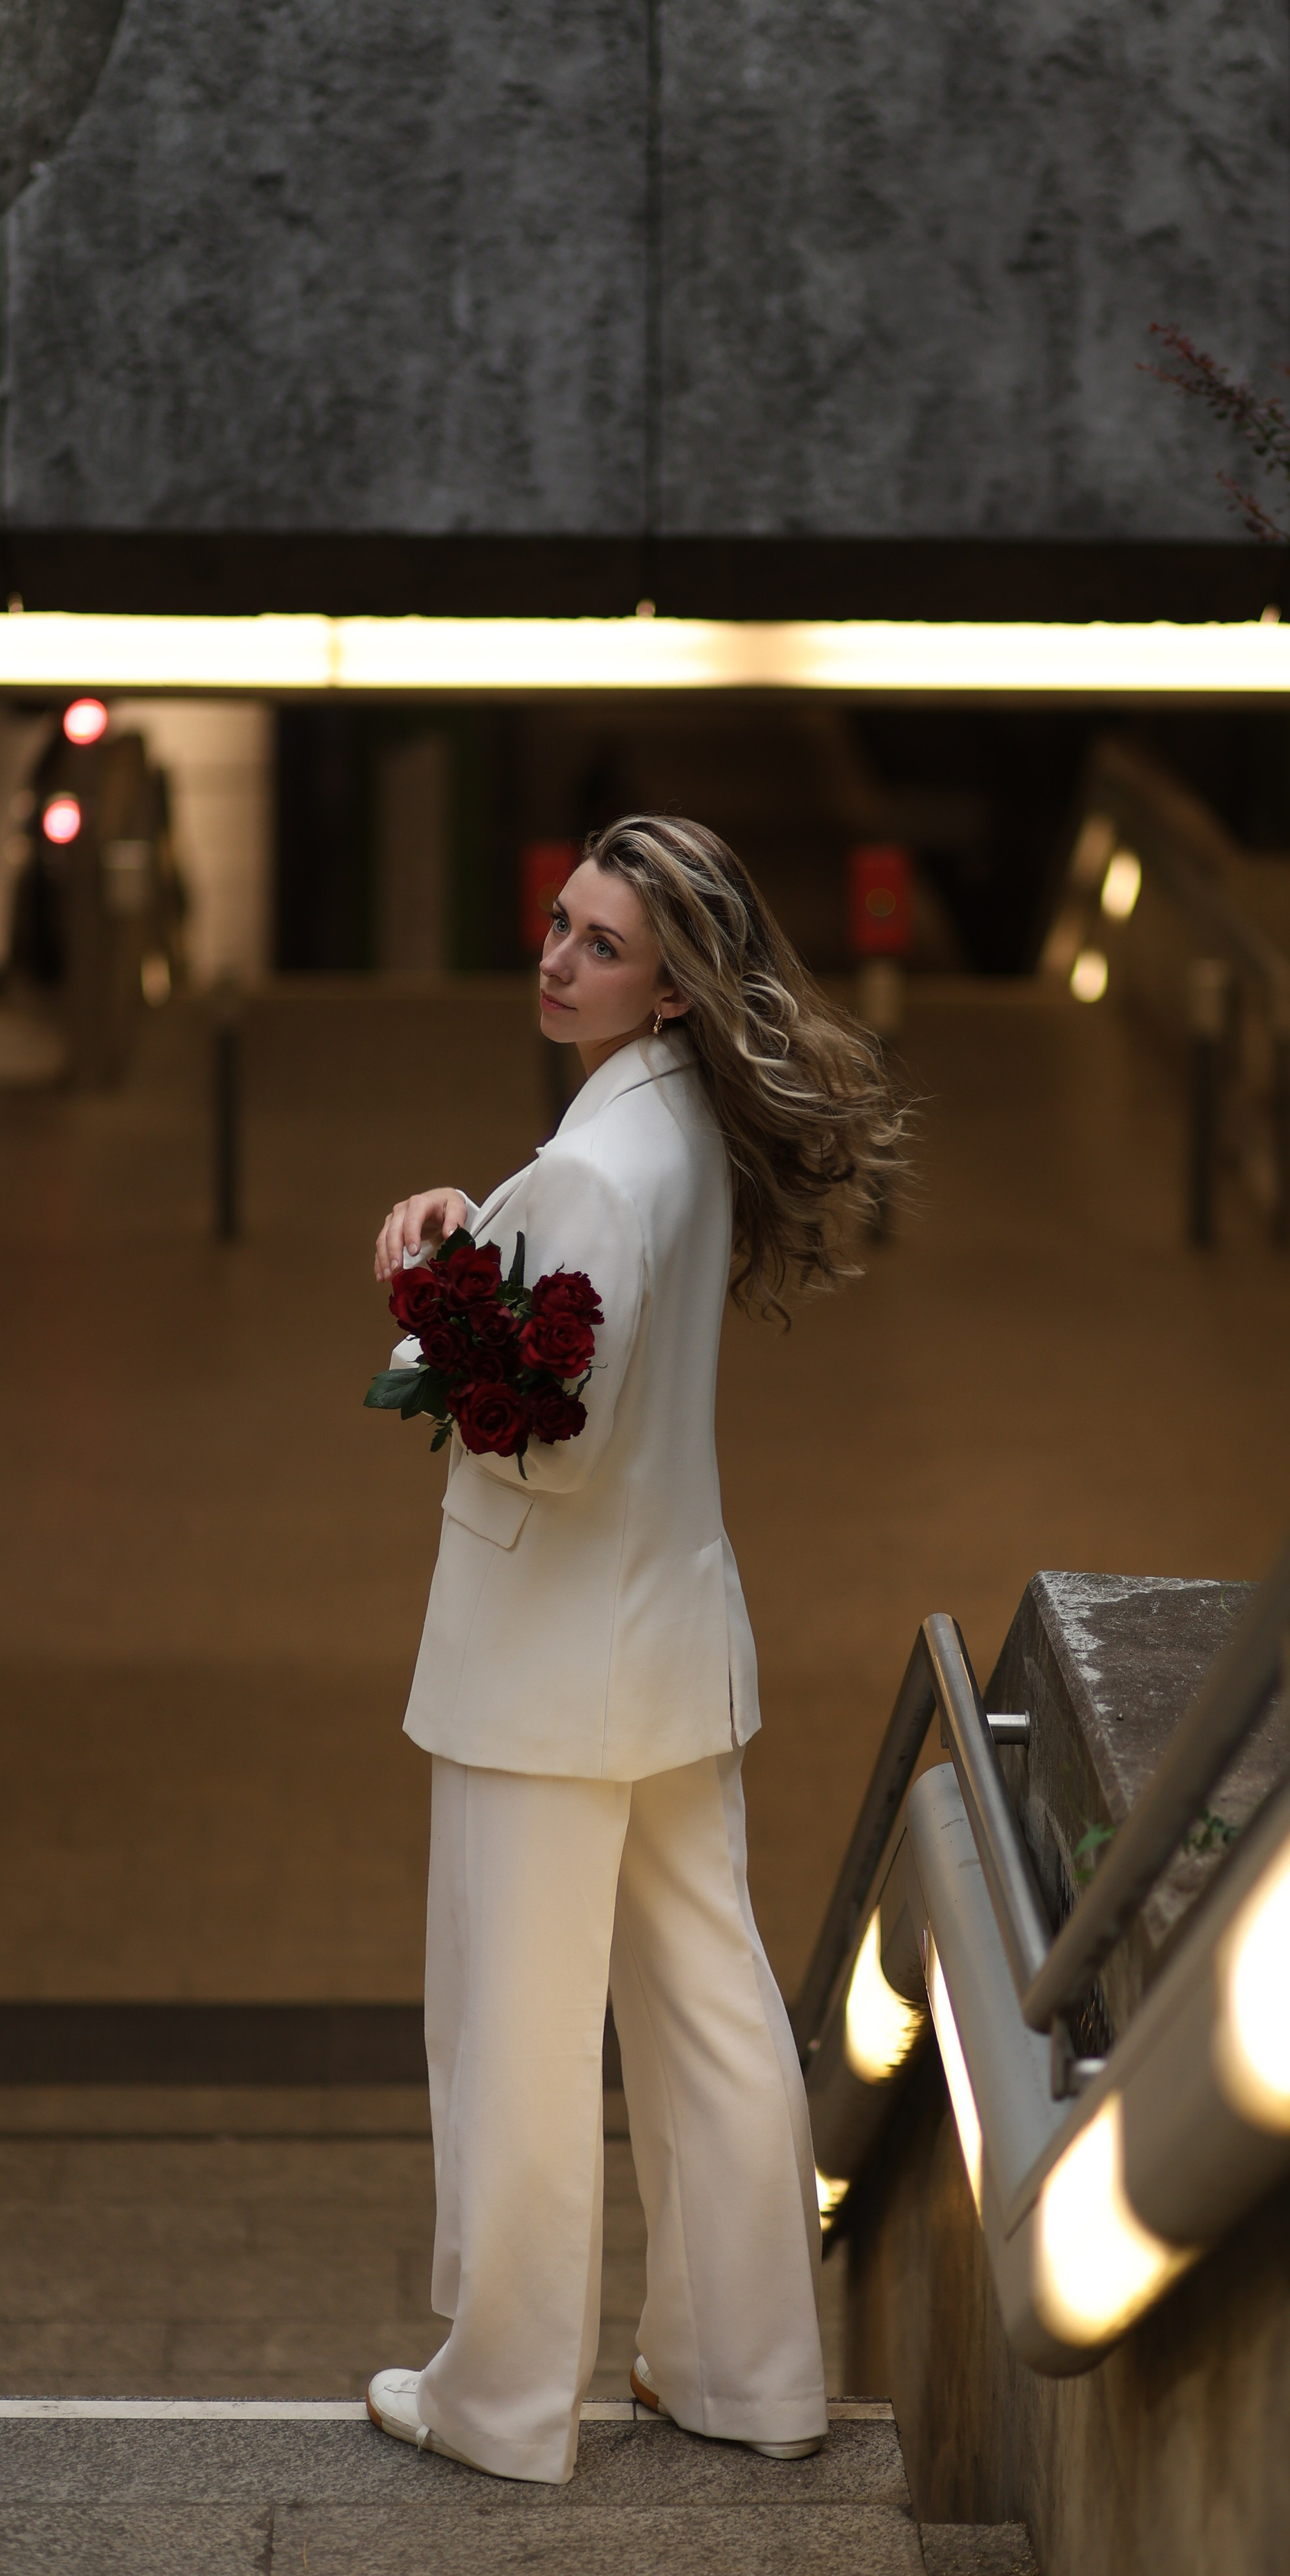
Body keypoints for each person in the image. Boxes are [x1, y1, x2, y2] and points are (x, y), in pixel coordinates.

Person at [364, 813, 904, 2485]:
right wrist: (477, 1241)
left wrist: (416, 1296)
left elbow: (548, 1440)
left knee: (518, 2041)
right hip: (668, 1655)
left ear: (673, 989)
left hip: (547, 1679)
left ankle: (505, 2404)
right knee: (709, 2012)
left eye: (599, 944)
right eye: (557, 924)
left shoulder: (604, 1155)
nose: (556, 958)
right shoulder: (669, 1124)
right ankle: (749, 2375)